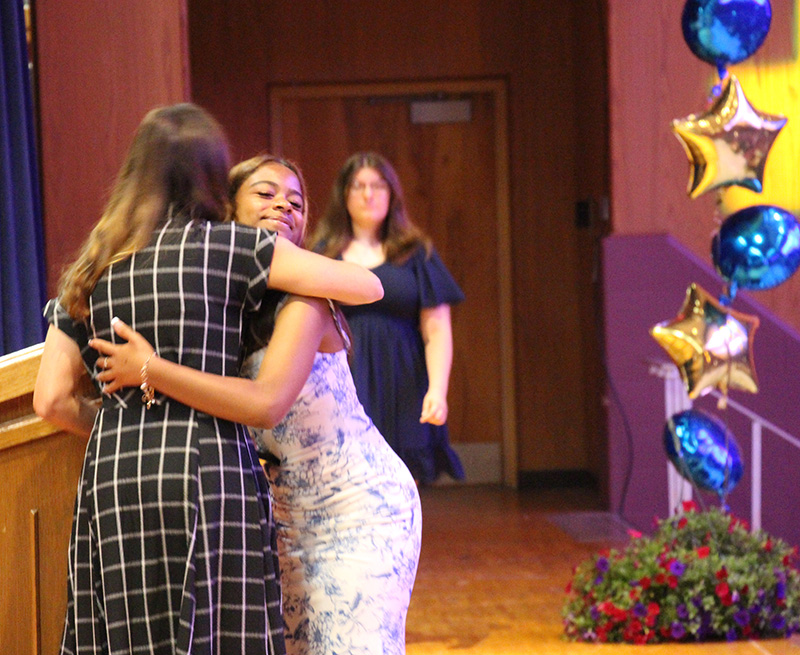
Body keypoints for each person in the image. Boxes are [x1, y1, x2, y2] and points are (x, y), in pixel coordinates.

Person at [32, 106, 383, 655]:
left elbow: (50, 398)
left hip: (115, 472)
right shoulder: (234, 250)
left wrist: (127, 420)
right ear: (216, 177)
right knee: (219, 635)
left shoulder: (94, 264)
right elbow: (365, 286)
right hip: (208, 465)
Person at [90, 153, 422, 655]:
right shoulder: (219, 309)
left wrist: (152, 369)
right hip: (282, 524)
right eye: (266, 194)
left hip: (358, 511)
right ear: (226, 210)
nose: (284, 207)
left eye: (296, 201)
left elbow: (265, 404)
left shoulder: (305, 300)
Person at [309, 152, 466, 484]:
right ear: (344, 195)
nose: (368, 195)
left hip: (405, 381)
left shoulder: (416, 252)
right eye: (358, 186)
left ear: (392, 194)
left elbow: (436, 330)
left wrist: (437, 390)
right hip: (343, 379)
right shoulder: (322, 253)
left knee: (403, 483)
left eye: (378, 186)